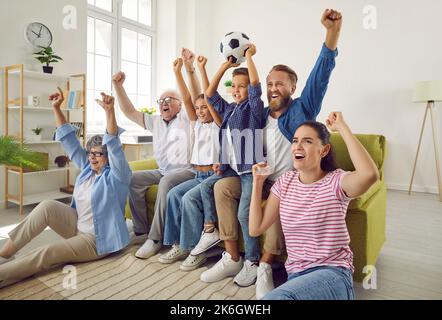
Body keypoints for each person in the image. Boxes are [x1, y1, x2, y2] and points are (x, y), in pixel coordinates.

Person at [212, 8, 343, 298]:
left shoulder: (300, 110)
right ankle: (233, 257)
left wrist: (331, 34)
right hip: (256, 178)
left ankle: (265, 266)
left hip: (284, 184)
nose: (273, 88)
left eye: (280, 83)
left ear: (292, 87)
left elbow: (320, 76)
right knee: (222, 188)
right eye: (270, 83)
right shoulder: (257, 113)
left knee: (277, 207)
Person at [0, 89, 131, 288]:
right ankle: (4, 254)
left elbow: (113, 144)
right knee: (46, 206)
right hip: (78, 227)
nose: (92, 157)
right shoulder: (88, 169)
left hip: (98, 241)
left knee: (48, 252)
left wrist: (109, 111)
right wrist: (56, 108)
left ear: (109, 157)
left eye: (98, 154)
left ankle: (2, 274)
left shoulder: (118, 177)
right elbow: (69, 141)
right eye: (90, 153)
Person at [249, 112, 379, 300]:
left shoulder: (336, 181)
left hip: (332, 273)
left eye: (307, 141)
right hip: (295, 276)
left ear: (324, 150)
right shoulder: (285, 181)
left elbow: (369, 175)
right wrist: (257, 183)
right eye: (294, 141)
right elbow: (255, 228)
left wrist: (342, 127)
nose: (297, 146)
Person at [197, 43, 265, 287]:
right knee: (206, 188)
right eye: (233, 86)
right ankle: (213, 236)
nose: (236, 90)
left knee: (243, 213)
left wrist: (248, 58)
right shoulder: (228, 109)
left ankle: (253, 261)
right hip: (232, 170)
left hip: (250, 172)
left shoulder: (253, 109)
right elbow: (209, 94)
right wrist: (227, 65)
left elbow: (257, 89)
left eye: (241, 86)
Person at [112, 68, 195, 259]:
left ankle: (155, 239)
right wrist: (118, 86)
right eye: (161, 101)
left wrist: (185, 70)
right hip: (163, 170)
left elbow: (190, 97)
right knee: (132, 179)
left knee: (166, 183)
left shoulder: (185, 117)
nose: (163, 103)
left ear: (179, 105)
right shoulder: (155, 121)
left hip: (187, 171)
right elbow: (129, 111)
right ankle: (141, 230)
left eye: (169, 100)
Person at [160, 54, 223, 270]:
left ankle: (196, 249)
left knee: (187, 199)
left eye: (205, 107)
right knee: (173, 194)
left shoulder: (218, 124)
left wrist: (196, 68)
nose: (200, 111)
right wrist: (178, 72)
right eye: (198, 108)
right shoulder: (197, 124)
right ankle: (178, 244)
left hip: (214, 177)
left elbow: (208, 96)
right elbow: (187, 99)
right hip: (198, 176)